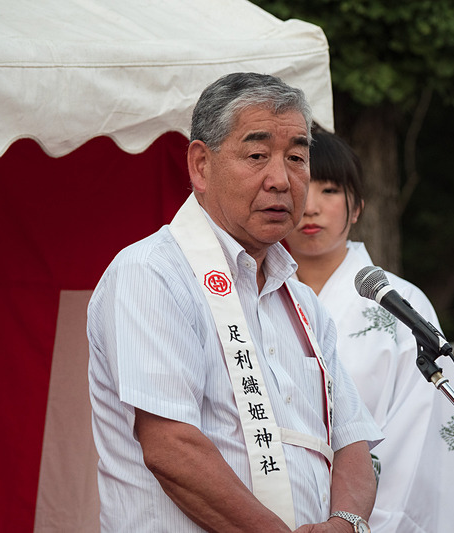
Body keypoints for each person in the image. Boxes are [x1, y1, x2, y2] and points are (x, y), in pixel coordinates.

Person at [87, 72, 383, 533]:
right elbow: (172, 448)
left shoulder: (303, 301)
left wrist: (345, 524)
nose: (281, 180)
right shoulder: (152, 273)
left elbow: (351, 444)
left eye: (297, 158)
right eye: (257, 155)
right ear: (201, 165)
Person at [284, 130, 454, 532]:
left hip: (377, 511)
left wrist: (357, 519)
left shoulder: (401, 305)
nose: (312, 207)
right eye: (301, 188)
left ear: (357, 207)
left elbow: (420, 431)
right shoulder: (252, 295)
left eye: (330, 190)